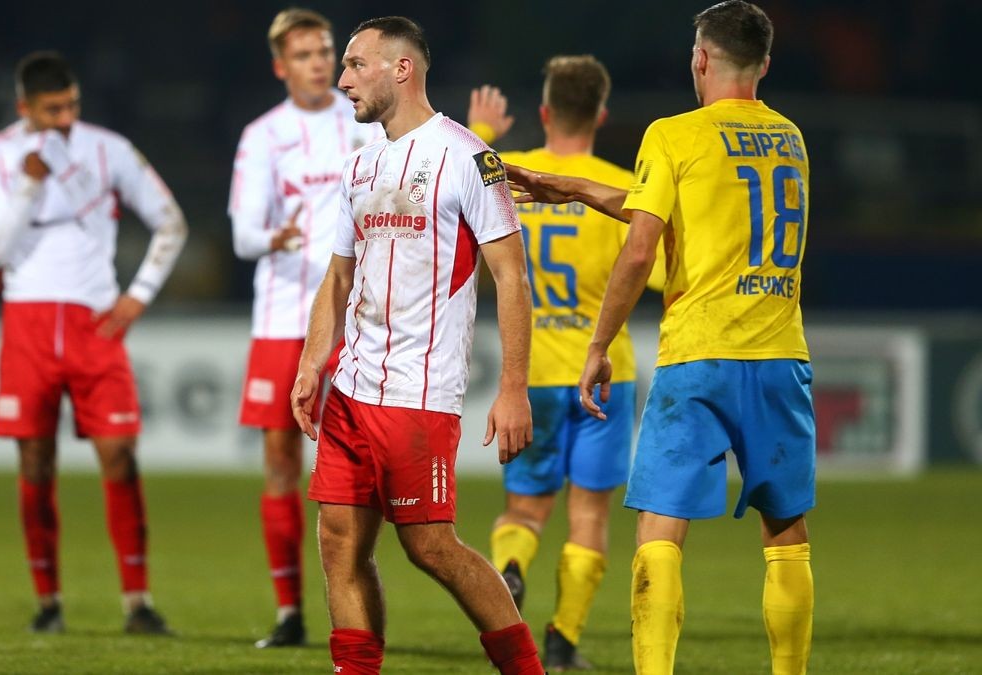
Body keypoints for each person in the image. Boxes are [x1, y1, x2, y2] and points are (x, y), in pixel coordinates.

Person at [505, 2, 814, 673]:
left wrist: (599, 344)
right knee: (786, 532)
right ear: (762, 62)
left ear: (701, 58)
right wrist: (576, 188)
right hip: (780, 354)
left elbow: (642, 248)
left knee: (659, 530)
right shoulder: (790, 137)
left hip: (698, 357)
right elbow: (688, 206)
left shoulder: (674, 134)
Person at [290, 16, 544, 675]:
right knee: (339, 543)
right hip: (350, 390)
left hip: (419, 392)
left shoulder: (466, 157)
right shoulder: (361, 164)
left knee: (430, 546)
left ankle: (526, 668)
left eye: (355, 64)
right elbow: (340, 273)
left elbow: (512, 276)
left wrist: (513, 385)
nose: (341, 80)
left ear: (401, 69)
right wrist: (314, 358)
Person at [0, 51, 186, 635]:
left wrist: (138, 293)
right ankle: (48, 602)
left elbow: (170, 220)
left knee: (120, 453)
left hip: (96, 321)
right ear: (24, 109)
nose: (65, 118)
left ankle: (137, 602)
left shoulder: (108, 149)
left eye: (72, 106)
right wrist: (28, 189)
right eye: (52, 109)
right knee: (36, 461)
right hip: (29, 323)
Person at [467, 55, 664, 670]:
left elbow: (446, 180)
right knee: (589, 513)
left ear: (546, 111)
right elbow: (657, 274)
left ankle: (510, 568)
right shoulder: (623, 189)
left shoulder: (503, 173)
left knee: (525, 509)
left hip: (529, 375)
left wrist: (485, 137)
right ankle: (563, 639)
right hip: (603, 375)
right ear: (601, 114)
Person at [228, 7, 381, 648]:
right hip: (281, 319)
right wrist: (273, 235)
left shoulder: (368, 129)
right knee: (281, 463)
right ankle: (290, 611)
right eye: (306, 54)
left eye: (327, 52)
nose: (320, 63)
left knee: (360, 467)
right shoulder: (263, 136)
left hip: (354, 316)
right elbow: (240, 234)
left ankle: (358, 598)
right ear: (281, 66)